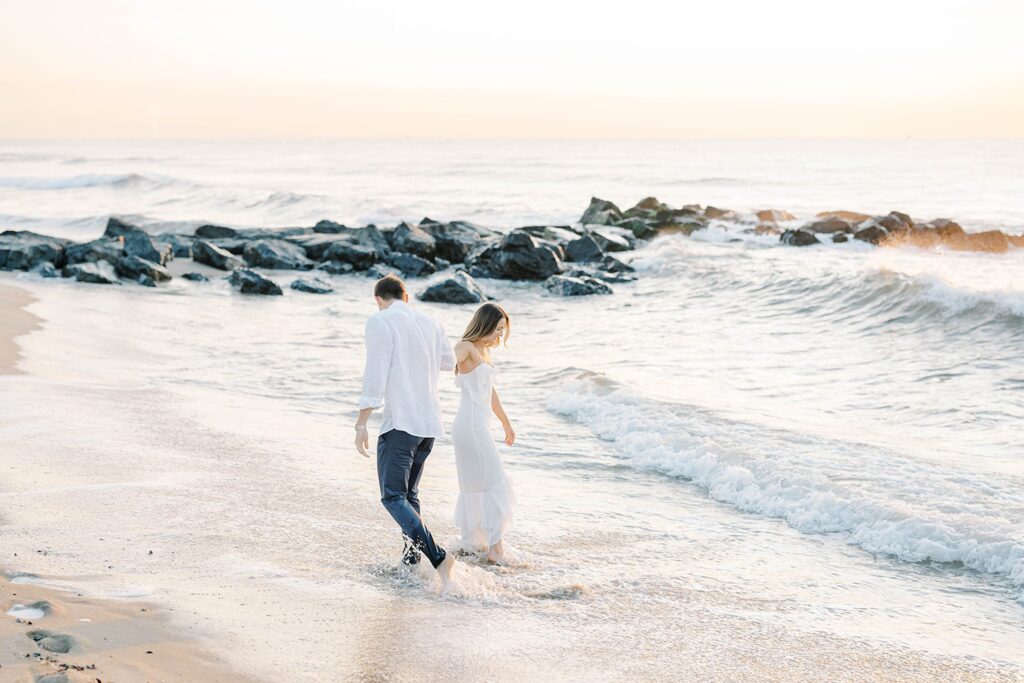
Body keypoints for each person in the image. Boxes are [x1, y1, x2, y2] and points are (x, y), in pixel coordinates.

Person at [355, 274, 457, 586]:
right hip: (428, 424)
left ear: (378, 299)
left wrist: (361, 422)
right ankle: (410, 561)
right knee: (409, 493)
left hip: (401, 422)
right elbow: (448, 361)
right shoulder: (431, 321)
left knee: (392, 496)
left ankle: (438, 557)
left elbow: (375, 373)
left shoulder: (380, 321)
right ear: (406, 296)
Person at [451, 303, 517, 565]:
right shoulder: (465, 346)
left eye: (502, 331)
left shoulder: (483, 352)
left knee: (477, 485)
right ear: (485, 324)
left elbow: (491, 394)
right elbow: (439, 361)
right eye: (497, 329)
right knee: (495, 482)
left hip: (477, 426)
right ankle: (495, 549)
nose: (499, 336)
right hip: (470, 427)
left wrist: (506, 424)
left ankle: (476, 544)